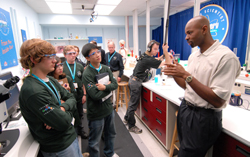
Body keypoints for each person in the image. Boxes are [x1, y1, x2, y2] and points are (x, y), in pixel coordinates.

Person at [163, 15, 241, 157]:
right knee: (185, 148)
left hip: (204, 118)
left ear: (204, 29)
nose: (186, 37)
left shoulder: (226, 57)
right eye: (186, 33)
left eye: (190, 32)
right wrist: (174, 72)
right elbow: (188, 87)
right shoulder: (194, 56)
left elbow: (218, 100)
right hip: (186, 109)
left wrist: (186, 75)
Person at [19, 39, 83, 157]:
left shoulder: (50, 80)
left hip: (69, 138)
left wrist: (62, 108)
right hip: (58, 147)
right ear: (33, 59)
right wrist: (63, 114)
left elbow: (72, 98)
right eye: (50, 57)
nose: (54, 60)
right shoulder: (33, 91)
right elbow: (63, 122)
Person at [123, 40, 170, 134]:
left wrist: (162, 57)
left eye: (157, 49)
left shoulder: (145, 56)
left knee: (132, 102)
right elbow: (167, 63)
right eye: (155, 49)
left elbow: (154, 61)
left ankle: (126, 118)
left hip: (133, 81)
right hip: (136, 83)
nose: (156, 51)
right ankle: (131, 126)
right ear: (149, 48)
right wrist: (165, 52)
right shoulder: (148, 59)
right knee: (133, 105)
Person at [81, 43, 118, 157]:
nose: (98, 55)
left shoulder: (106, 68)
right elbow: (95, 95)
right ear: (87, 58)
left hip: (108, 109)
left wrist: (105, 87)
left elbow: (115, 84)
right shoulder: (87, 74)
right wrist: (109, 88)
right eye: (93, 53)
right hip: (96, 112)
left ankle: (109, 153)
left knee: (110, 134)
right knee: (94, 141)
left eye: (98, 52)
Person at [48, 56, 82, 133]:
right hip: (58, 111)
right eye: (57, 66)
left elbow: (73, 95)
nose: (60, 68)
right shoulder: (50, 81)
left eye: (61, 65)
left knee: (76, 125)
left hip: (70, 108)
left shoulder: (67, 78)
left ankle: (79, 130)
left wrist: (68, 91)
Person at [63, 45, 88, 139]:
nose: (73, 55)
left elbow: (84, 82)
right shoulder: (62, 67)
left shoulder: (79, 66)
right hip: (68, 97)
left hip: (79, 94)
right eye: (70, 54)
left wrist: (84, 94)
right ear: (65, 55)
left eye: (74, 53)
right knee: (70, 114)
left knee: (80, 113)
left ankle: (80, 129)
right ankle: (72, 131)